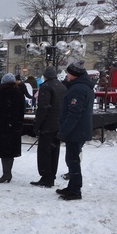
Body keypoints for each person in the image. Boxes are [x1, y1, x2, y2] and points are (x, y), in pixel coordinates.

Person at [56, 62, 94, 201]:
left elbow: (74, 113)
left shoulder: (78, 89)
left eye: (68, 73)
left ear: (75, 74)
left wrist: (64, 131)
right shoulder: (83, 86)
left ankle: (75, 190)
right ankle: (72, 187)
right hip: (79, 129)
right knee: (72, 159)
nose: (66, 75)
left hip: (76, 131)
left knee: (73, 161)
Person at [31, 66, 67, 187]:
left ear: (45, 76)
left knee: (44, 152)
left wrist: (37, 125)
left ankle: (46, 177)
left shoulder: (45, 87)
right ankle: (51, 176)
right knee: (54, 151)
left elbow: (43, 108)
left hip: (47, 125)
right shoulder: (62, 86)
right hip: (58, 124)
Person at [0, 73, 26, 183]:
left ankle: (6, 173)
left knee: (4, 150)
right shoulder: (18, 93)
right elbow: (22, 110)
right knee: (10, 150)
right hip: (14, 126)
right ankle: (8, 172)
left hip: (1, 125)